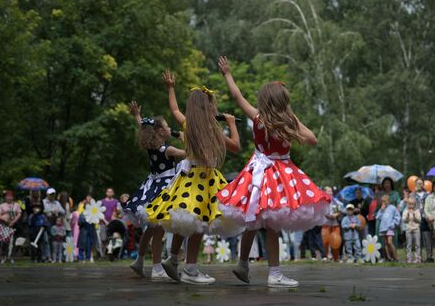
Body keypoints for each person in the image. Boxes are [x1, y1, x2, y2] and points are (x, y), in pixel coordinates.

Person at [215, 56, 330, 288]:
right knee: (274, 224)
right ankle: (274, 273)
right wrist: (294, 119)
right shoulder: (288, 122)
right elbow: (313, 140)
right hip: (280, 176)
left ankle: (243, 263)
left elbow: (237, 97)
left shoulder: (257, 117)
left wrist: (227, 73)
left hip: (256, 173)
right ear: (283, 102)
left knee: (252, 220)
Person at [146, 69, 241, 285]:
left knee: (185, 220)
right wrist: (232, 123)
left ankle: (172, 259)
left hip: (187, 178)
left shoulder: (188, 124)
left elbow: (174, 109)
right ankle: (190, 269)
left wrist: (171, 88)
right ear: (209, 107)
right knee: (198, 224)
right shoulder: (212, 128)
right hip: (204, 180)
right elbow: (235, 146)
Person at [126, 101, 186, 281]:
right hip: (165, 187)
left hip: (152, 185)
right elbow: (189, 154)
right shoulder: (168, 149)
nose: (170, 128)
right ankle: (157, 268)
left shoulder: (152, 146)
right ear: (161, 132)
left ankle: (139, 260)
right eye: (168, 126)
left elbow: (143, 126)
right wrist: (185, 138)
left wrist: (137, 115)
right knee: (158, 228)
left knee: (151, 228)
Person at [0, 191, 22, 264]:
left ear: (13, 197)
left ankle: (12, 257)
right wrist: (4, 220)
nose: (9, 198)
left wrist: (13, 222)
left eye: (11, 196)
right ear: (5, 197)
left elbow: (19, 214)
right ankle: (3, 256)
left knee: (12, 242)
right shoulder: (2, 205)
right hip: (4, 225)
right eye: (8, 196)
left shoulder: (16, 205)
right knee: (4, 242)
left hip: (13, 225)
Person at [321, 186, 343, 261]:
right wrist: (328, 216)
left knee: (335, 240)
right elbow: (321, 210)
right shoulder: (322, 201)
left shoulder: (335, 201)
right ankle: (326, 256)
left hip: (335, 223)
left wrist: (336, 215)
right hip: (326, 223)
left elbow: (341, 208)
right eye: (328, 191)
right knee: (325, 241)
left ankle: (336, 257)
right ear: (324, 192)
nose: (330, 192)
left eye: (331, 191)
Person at [376, 194, 401, 262]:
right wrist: (381, 210)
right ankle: (389, 257)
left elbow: (397, 216)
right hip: (383, 228)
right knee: (385, 243)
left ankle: (395, 257)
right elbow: (378, 217)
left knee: (390, 242)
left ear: (388, 201)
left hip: (390, 228)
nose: (383, 203)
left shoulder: (392, 207)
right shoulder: (382, 209)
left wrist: (393, 223)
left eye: (385, 201)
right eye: (382, 201)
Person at [424, 180, 435, 262]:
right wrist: (429, 217)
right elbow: (426, 209)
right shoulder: (429, 197)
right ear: (433, 188)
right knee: (433, 239)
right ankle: (431, 256)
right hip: (432, 220)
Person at [78, 194, 97, 263]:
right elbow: (79, 223)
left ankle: (88, 257)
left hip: (90, 231)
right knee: (82, 245)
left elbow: (95, 222)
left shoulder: (93, 213)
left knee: (89, 245)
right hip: (83, 231)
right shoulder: (82, 214)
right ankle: (81, 258)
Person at [402, 196, 421, 263]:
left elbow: (419, 220)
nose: (411, 206)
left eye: (412, 204)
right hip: (408, 230)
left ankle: (417, 258)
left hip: (416, 229)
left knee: (417, 244)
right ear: (407, 204)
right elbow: (404, 220)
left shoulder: (417, 211)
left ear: (415, 204)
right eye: (409, 204)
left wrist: (414, 215)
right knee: (409, 245)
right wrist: (407, 215)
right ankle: (409, 258)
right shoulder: (405, 211)